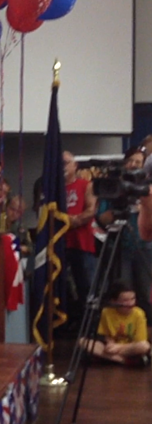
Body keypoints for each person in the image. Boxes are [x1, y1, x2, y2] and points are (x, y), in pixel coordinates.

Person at [94, 147, 152, 325]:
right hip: (122, 247)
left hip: (146, 249)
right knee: (122, 293)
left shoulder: (147, 191)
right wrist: (120, 209)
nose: (133, 164)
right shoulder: (116, 189)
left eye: (138, 162)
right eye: (131, 161)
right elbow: (101, 218)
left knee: (145, 293)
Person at [78, 281, 150, 366]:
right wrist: (110, 344)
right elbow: (106, 334)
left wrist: (118, 347)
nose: (130, 303)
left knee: (144, 346)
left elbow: (140, 340)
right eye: (125, 300)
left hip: (130, 347)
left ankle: (108, 358)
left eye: (132, 299)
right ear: (114, 301)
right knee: (83, 341)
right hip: (111, 347)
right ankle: (122, 360)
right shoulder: (106, 312)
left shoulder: (139, 313)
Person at [63, 151, 98, 324]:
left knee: (86, 286)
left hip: (82, 243)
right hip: (60, 244)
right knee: (62, 289)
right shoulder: (52, 187)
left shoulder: (86, 185)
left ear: (75, 165)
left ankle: (90, 326)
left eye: (66, 162)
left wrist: (71, 220)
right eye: (60, 163)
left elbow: (91, 210)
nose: (63, 166)